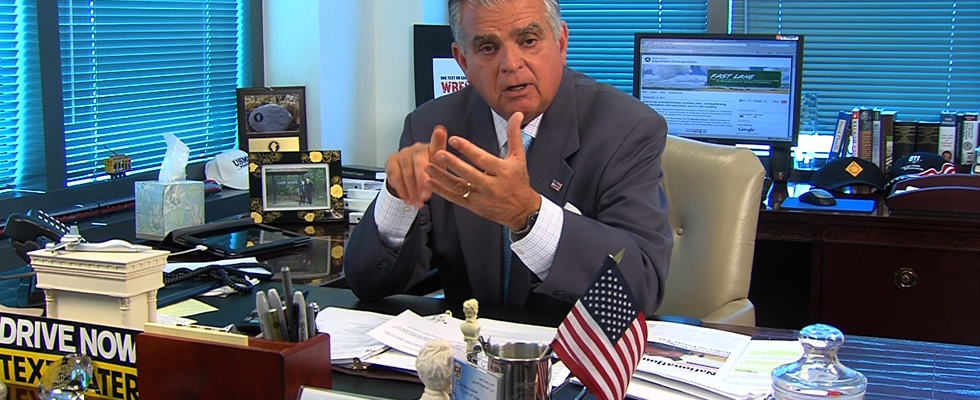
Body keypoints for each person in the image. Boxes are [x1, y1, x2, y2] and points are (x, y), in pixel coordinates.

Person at [344, 0, 672, 316]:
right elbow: (368, 284)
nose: (511, 64)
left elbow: (641, 286)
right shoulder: (431, 127)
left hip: (571, 357)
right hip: (466, 356)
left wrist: (528, 215)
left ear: (560, 42)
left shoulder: (626, 129)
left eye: (528, 41)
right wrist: (397, 200)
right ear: (463, 61)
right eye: (488, 48)